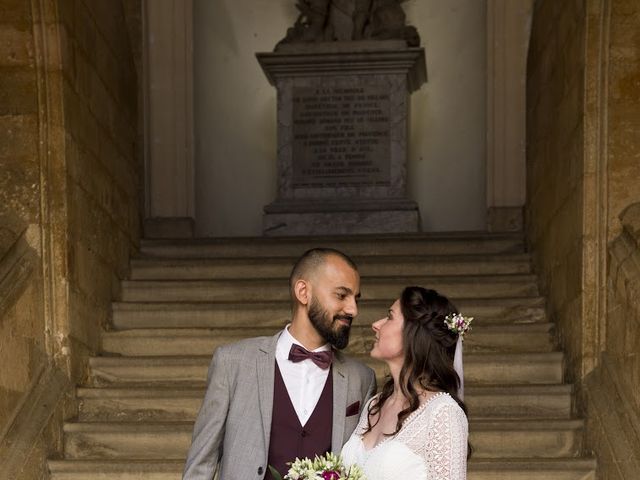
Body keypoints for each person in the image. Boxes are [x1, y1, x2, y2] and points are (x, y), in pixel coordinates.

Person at [183, 248, 377, 480]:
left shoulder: (362, 379)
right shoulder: (233, 362)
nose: (353, 310)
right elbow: (201, 464)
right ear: (303, 292)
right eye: (341, 295)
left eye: (356, 299)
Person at [341, 286, 470, 480]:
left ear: (414, 334)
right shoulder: (374, 405)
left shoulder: (443, 413)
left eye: (390, 316)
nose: (376, 324)